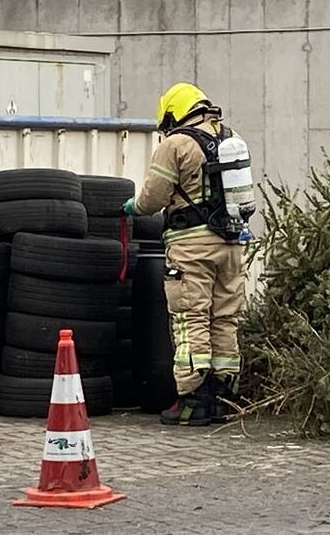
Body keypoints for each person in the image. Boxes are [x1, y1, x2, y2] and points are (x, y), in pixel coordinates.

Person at [123, 83, 254, 426]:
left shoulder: (176, 144)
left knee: (190, 317)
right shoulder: (229, 137)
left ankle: (193, 401)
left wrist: (132, 207)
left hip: (191, 246)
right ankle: (222, 398)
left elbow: (153, 199)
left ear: (173, 114)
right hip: (231, 244)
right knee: (224, 318)